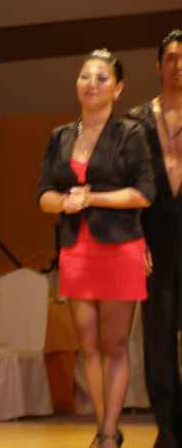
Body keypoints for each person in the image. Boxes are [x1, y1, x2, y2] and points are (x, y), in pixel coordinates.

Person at [38, 49, 155, 448]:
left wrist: (91, 199)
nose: (91, 84)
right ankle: (106, 428)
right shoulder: (60, 136)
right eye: (85, 76)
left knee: (114, 345)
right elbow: (43, 196)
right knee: (87, 346)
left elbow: (144, 193)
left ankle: (107, 433)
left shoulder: (130, 133)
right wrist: (64, 202)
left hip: (121, 248)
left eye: (102, 78)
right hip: (76, 249)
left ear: (118, 89)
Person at [126, 29, 182, 448]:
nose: (179, 65)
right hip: (155, 241)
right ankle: (169, 429)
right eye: (173, 57)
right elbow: (128, 185)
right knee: (158, 339)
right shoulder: (137, 120)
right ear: (159, 64)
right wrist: (136, 238)